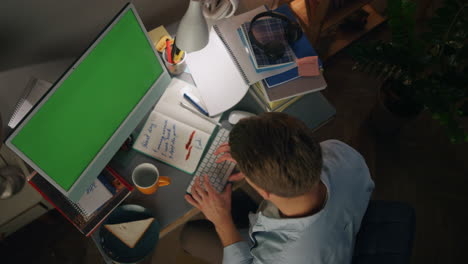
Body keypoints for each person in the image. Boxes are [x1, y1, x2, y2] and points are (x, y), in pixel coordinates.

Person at [181, 112, 374, 264]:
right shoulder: (340, 152)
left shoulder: (282, 258)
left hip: (304, 250)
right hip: (334, 227)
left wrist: (222, 222)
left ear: (265, 193)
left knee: (190, 235)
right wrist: (257, 164)